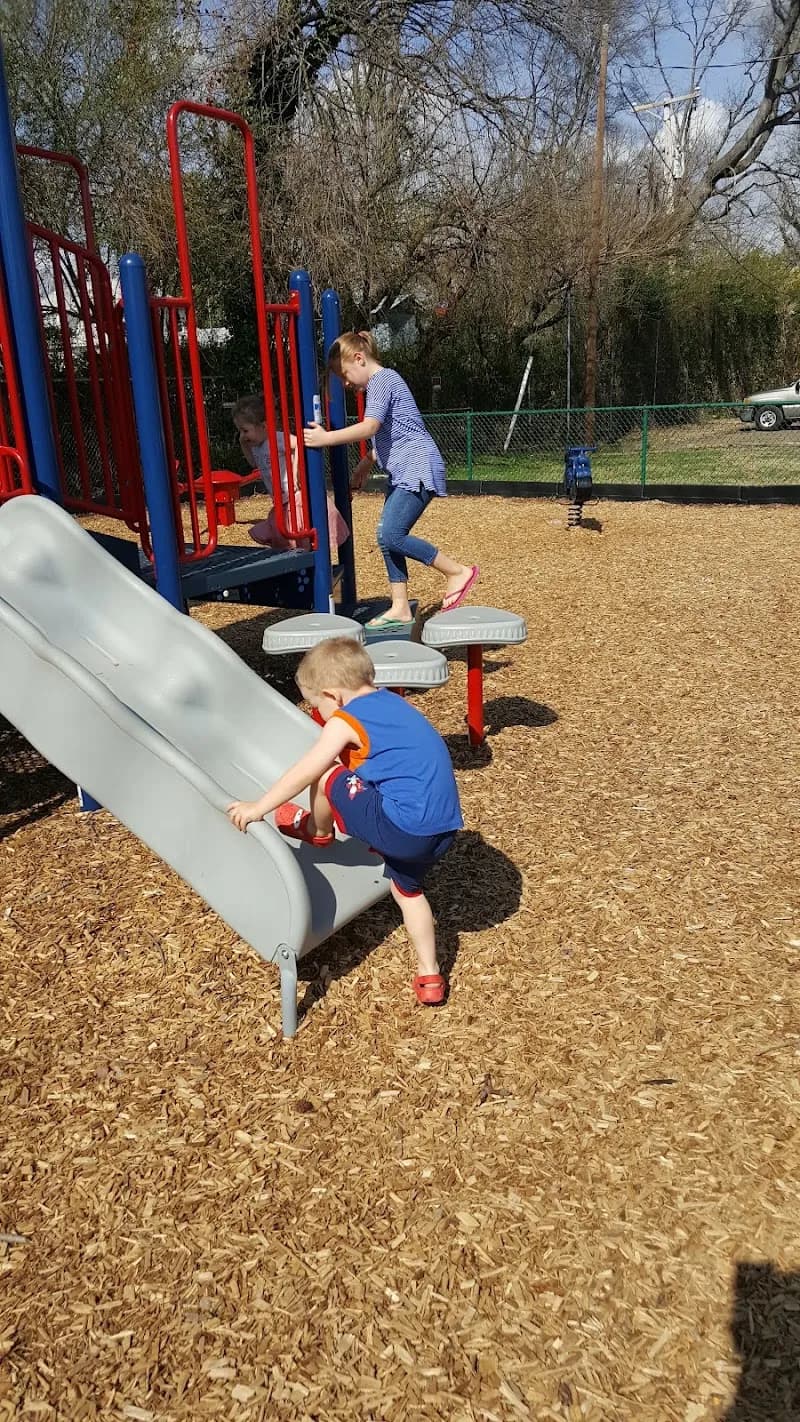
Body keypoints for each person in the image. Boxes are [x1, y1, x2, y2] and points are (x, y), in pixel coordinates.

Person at [226, 637, 462, 1006]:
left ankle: (318, 832)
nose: (319, 714)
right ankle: (429, 974)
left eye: (317, 705)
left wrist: (259, 807)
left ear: (333, 696)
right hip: (443, 829)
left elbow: (308, 770)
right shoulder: (394, 703)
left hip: (400, 827)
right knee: (407, 892)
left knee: (327, 775)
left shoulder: (345, 720)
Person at [303, 332, 478, 632]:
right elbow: (394, 431)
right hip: (404, 469)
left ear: (359, 358)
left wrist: (326, 438)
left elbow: (371, 426)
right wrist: (366, 463)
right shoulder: (380, 385)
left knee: (389, 534)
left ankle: (457, 572)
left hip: (418, 467)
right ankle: (399, 607)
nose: (345, 384)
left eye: (344, 375)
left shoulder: (383, 380)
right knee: (389, 539)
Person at [232, 394, 349, 559]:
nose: (243, 435)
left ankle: (314, 567)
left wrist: (295, 473)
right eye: (240, 431)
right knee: (289, 539)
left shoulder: (276, 438)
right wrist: (243, 444)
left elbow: (298, 444)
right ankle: (301, 566)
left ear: (264, 426)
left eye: (245, 430)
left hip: (296, 497)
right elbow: (252, 463)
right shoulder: (256, 446)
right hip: (282, 500)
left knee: (303, 536)